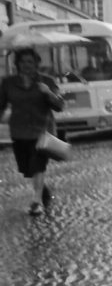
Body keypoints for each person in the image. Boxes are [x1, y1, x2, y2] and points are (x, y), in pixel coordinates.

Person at [0, 48, 65, 216]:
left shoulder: (47, 81)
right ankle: (43, 191)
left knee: (38, 165)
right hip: (19, 131)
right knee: (28, 170)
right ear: (17, 64)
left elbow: (59, 106)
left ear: (36, 64)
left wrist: (48, 92)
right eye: (22, 62)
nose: (26, 65)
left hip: (43, 131)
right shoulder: (8, 83)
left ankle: (36, 202)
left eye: (30, 62)